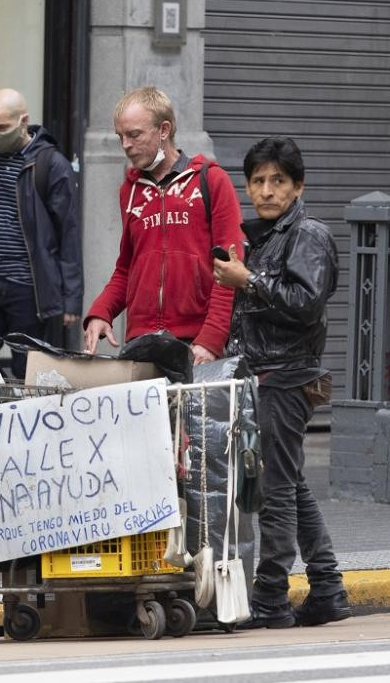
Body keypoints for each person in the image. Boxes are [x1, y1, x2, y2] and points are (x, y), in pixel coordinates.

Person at [213, 137, 350, 628]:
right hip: (263, 377)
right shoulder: (261, 235)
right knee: (290, 485)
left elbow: (305, 302)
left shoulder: (307, 234)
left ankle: (270, 598)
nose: (266, 191)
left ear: (298, 188)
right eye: (257, 181)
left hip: (287, 378)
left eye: (278, 182)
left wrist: (247, 281)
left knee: (275, 492)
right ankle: (329, 587)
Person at [83, 86, 244, 364]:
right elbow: (127, 267)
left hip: (196, 346)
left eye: (134, 134)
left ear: (164, 130)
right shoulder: (130, 191)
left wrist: (211, 339)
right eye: (120, 136)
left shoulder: (212, 180)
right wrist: (101, 312)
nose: (126, 145)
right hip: (142, 345)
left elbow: (231, 268)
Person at [0, 88, 82, 380]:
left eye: (2, 127)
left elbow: (67, 234)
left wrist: (71, 300)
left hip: (29, 291)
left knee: (28, 372)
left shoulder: (51, 164)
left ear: (24, 121)